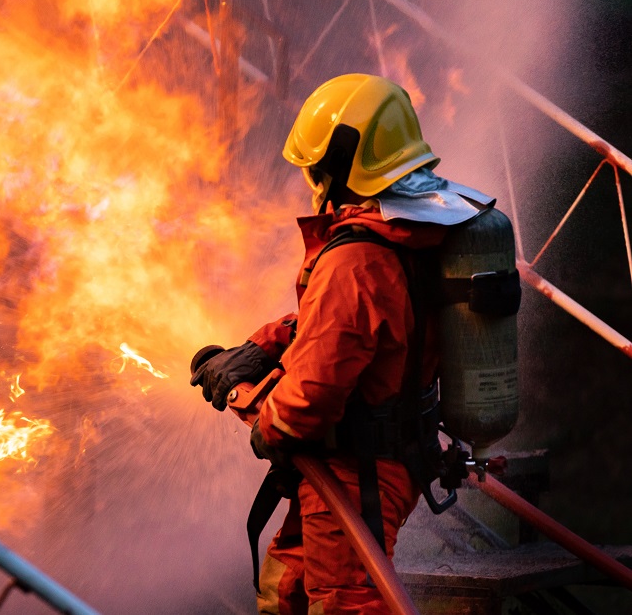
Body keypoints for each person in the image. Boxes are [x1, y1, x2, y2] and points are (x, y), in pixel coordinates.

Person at [191, 73, 497, 614]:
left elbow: (308, 401)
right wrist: (264, 347)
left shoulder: (355, 260)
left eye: (314, 166)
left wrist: (263, 419)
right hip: (386, 453)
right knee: (290, 582)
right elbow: (348, 323)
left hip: (359, 469)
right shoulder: (414, 227)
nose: (309, 177)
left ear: (341, 163)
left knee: (347, 603)